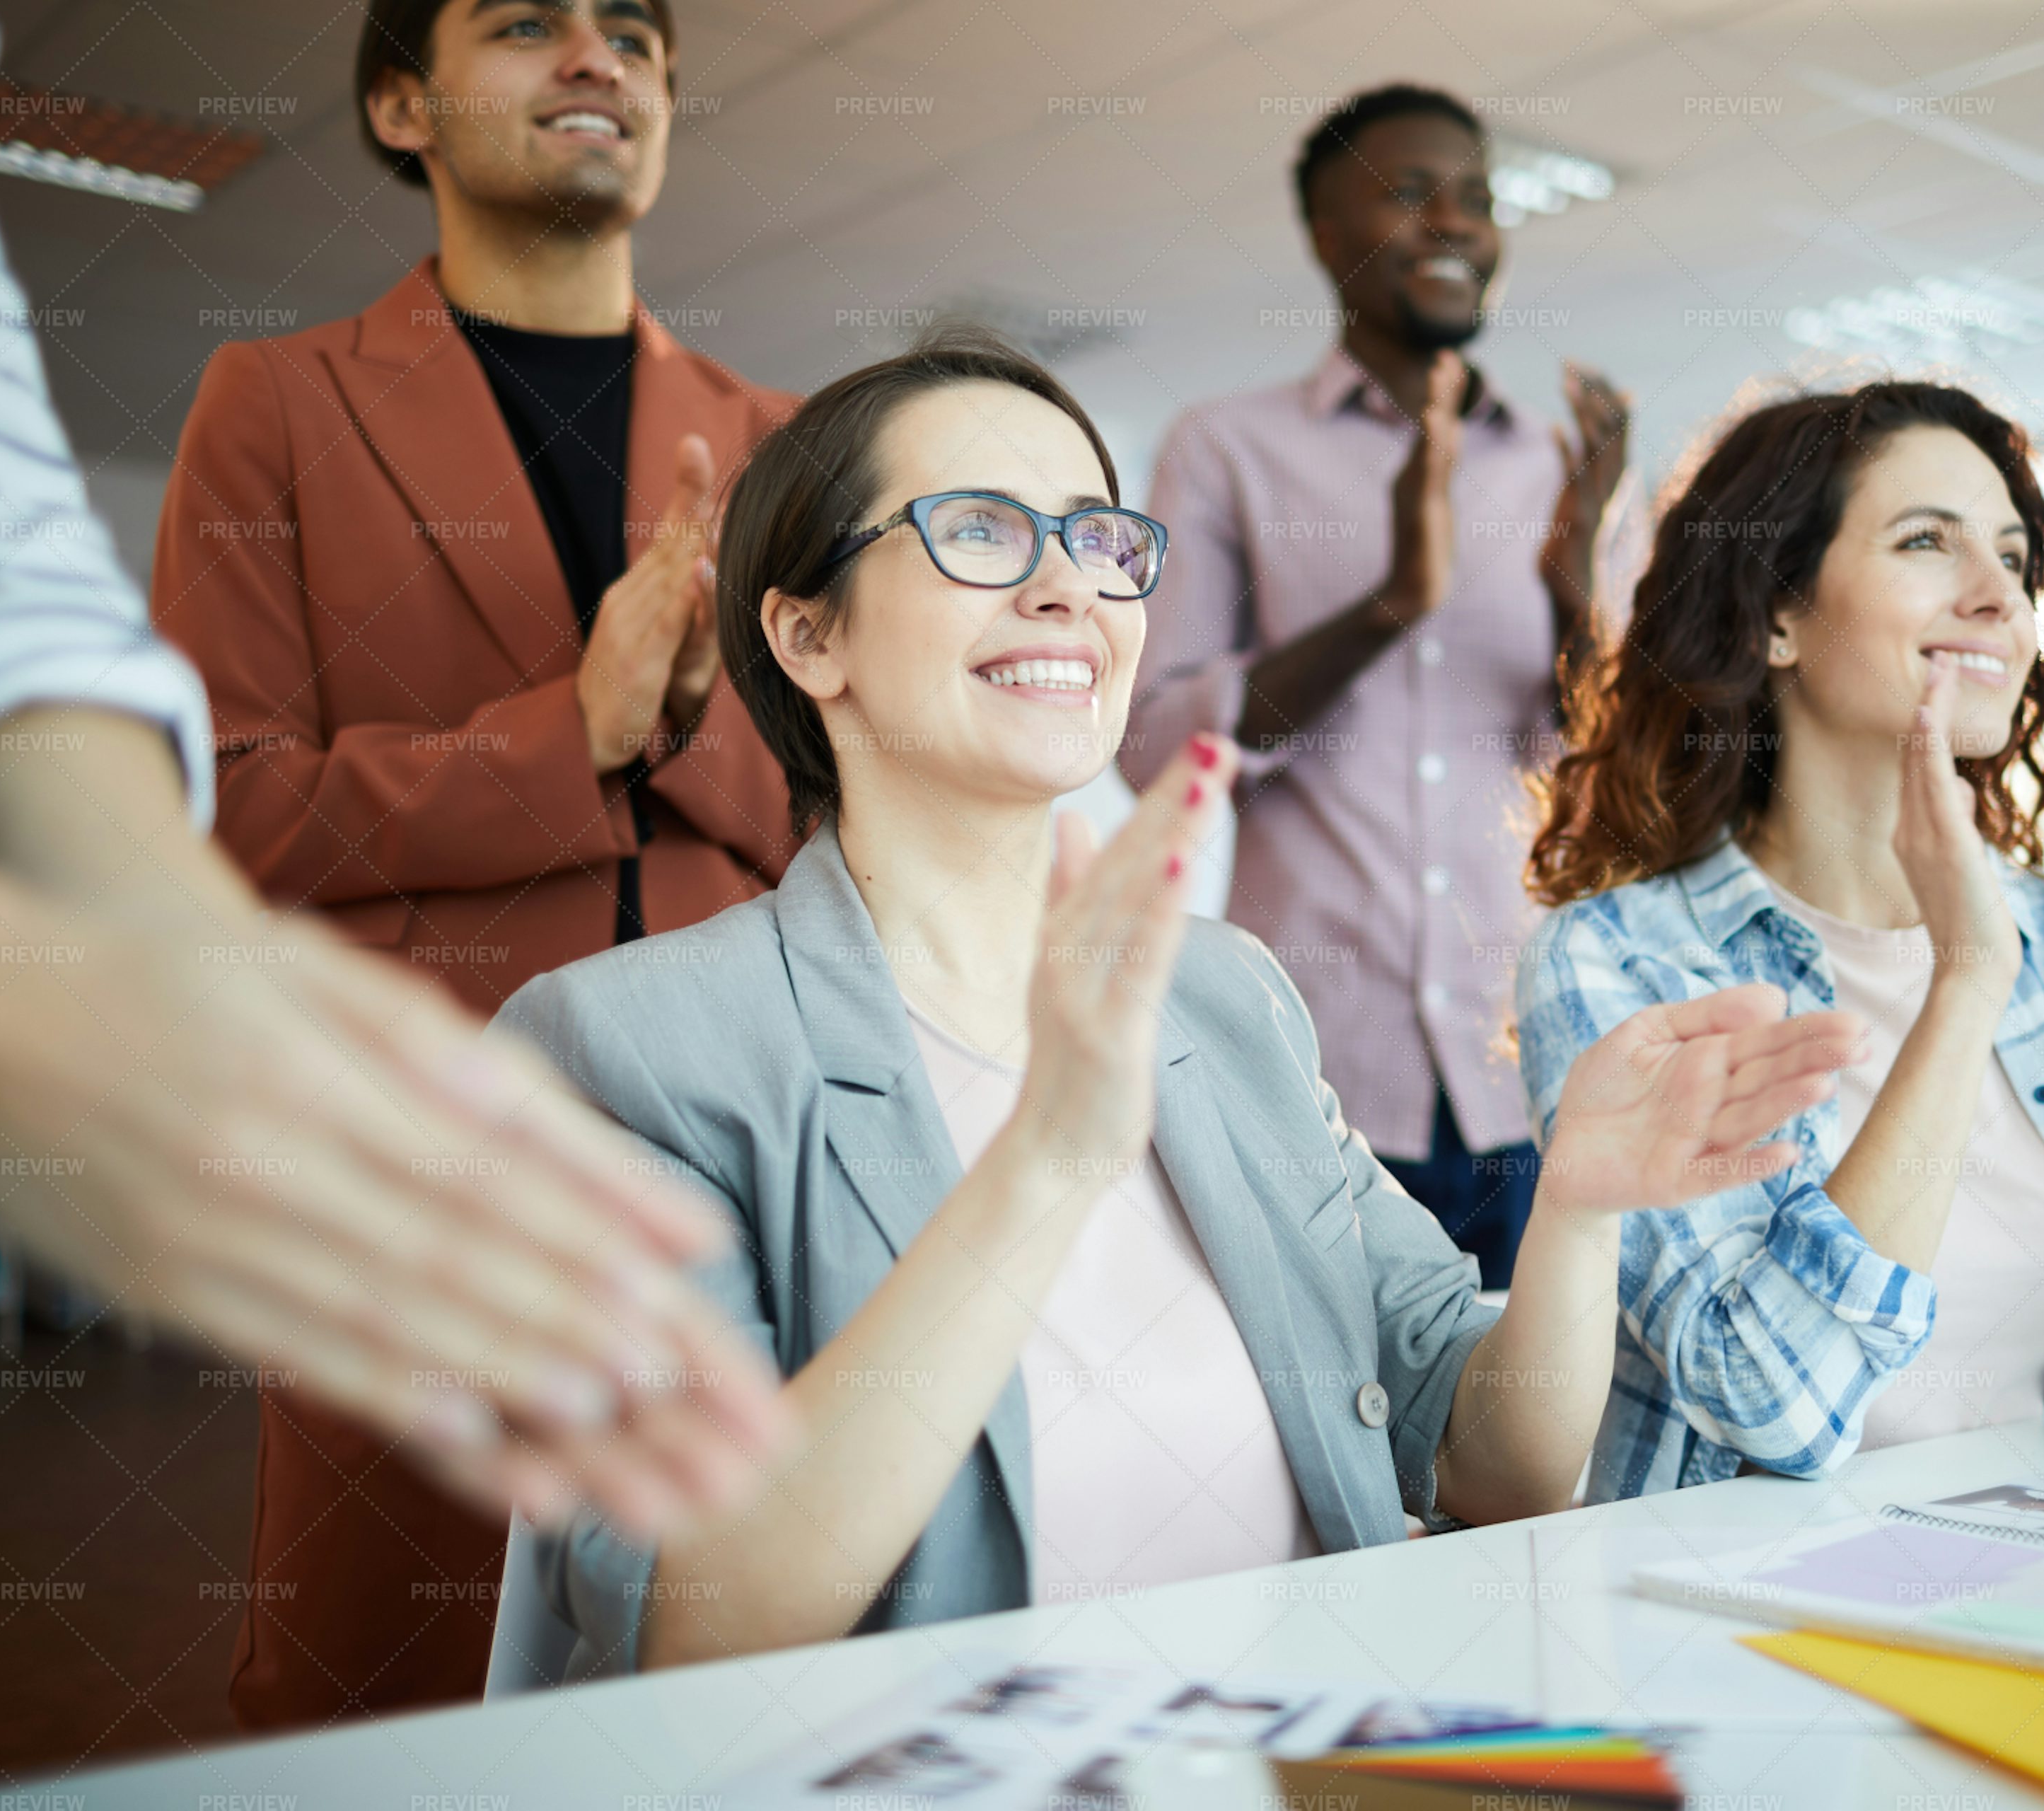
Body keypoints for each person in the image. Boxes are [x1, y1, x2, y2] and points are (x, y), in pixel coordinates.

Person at [493, 330, 1862, 1676]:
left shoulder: (1226, 994)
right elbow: (694, 1612)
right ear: (807, 634)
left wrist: (1576, 1209)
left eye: (1096, 541)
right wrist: (1047, 1159)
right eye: (980, 528)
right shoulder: (623, 1051)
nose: (1064, 590)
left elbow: (1488, 1460)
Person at [0, 0, 785, 1752]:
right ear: (403, 103)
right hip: (415, 1166)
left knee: (747, 1699)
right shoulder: (281, 398)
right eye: (527, 23)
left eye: (632, 33)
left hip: (741, 1162)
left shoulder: (767, 434)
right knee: (384, 1710)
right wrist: (576, 731)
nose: (593, 59)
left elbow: (830, 815)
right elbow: (230, 817)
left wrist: (680, 719)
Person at [1517, 381, 2044, 1498]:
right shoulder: (1623, 964)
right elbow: (1773, 1407)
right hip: (1738, 1630)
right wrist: (1965, 985)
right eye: (1927, 541)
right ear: (1776, 615)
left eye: (2017, 562)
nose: (1998, 599)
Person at [1126, 84, 1634, 1288]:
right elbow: (1156, 748)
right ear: (1322, 234)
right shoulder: (1225, 446)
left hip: (1534, 1068)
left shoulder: (1570, 471)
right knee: (1329, 1447)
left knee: (1534, 1452)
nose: (1453, 221)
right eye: (1409, 191)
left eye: (1478, 196)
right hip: (1310, 1075)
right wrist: (1391, 605)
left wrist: (1573, 593)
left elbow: (1618, 763)